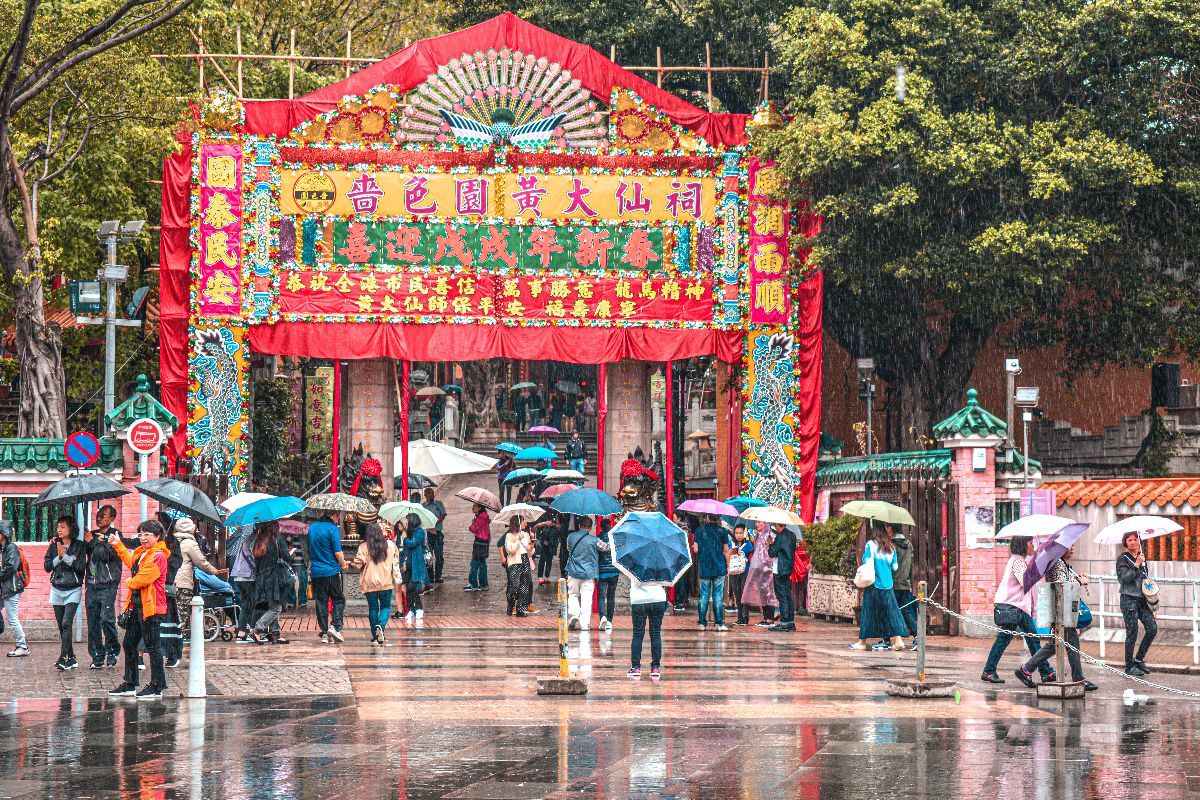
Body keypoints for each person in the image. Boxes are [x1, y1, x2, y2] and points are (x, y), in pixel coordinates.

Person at [1015, 547, 1098, 691]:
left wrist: (1077, 578)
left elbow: (1066, 582)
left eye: (1073, 546)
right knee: (1071, 643)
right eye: (1069, 546)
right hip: (1061, 610)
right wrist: (1079, 582)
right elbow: (1062, 586)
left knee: (1054, 645)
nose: (1072, 549)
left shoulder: (1062, 563)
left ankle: (1026, 669)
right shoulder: (1057, 563)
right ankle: (1078, 678)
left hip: (1063, 610)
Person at [108, 521, 171, 699]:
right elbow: (131, 564)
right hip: (136, 605)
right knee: (129, 643)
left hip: (151, 607)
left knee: (153, 646)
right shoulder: (142, 553)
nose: (142, 538)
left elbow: (145, 577)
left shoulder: (159, 556)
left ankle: (157, 686)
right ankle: (130, 683)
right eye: (140, 535)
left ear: (157, 536)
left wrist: (129, 583)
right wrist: (118, 545)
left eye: (147, 535)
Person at [980, 536, 1054, 684]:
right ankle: (989, 671)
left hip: (1016, 607)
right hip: (1012, 607)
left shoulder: (1019, 560)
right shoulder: (1018, 561)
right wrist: (1039, 568)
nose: (1032, 545)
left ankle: (1045, 671)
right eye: (1030, 542)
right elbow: (1026, 582)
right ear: (1023, 544)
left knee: (1028, 640)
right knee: (1027, 639)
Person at [851, 525, 908, 651]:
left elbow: (867, 561)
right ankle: (898, 640)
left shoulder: (870, 545)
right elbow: (895, 567)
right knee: (892, 612)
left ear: (875, 534)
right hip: (888, 585)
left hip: (874, 585)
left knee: (867, 613)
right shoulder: (891, 548)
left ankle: (862, 642)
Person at [45, 515, 86, 670]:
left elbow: (81, 568)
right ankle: (71, 657)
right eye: (58, 527)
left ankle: (65, 658)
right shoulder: (54, 545)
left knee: (66, 623)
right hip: (56, 589)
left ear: (71, 528)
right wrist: (59, 557)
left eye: (63, 527)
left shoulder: (80, 546)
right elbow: (47, 566)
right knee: (62, 626)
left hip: (73, 589)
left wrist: (66, 556)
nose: (59, 530)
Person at [172, 517, 224, 636]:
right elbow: (201, 563)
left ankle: (171, 637)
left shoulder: (171, 541)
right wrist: (214, 571)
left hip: (171, 581)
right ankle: (178, 640)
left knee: (172, 613)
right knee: (182, 613)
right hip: (183, 582)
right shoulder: (190, 543)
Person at [83, 514, 123, 669]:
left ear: (112, 518)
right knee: (93, 620)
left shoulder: (115, 535)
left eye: (103, 516)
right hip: (92, 583)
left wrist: (92, 542)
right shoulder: (91, 534)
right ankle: (97, 655)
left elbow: (107, 555)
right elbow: (83, 552)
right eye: (98, 516)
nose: (99, 518)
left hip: (108, 583)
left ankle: (112, 651)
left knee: (106, 618)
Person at [351, 522, 401, 643]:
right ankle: (381, 625)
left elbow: (358, 564)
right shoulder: (390, 545)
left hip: (370, 584)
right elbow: (396, 563)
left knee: (373, 609)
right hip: (386, 583)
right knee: (386, 607)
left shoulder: (364, 546)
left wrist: (350, 563)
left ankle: (375, 635)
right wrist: (397, 579)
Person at [1117, 531, 1157, 676]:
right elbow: (1124, 579)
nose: (1133, 542)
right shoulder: (1122, 559)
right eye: (1130, 540)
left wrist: (1152, 604)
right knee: (1132, 633)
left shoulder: (1142, 558)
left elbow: (1145, 581)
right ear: (1125, 542)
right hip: (1128, 599)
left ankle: (1139, 659)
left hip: (1142, 600)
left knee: (1152, 627)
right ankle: (1129, 666)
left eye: (1135, 539)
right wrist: (1136, 565)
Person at [308, 513, 349, 643]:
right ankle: (335, 626)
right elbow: (337, 552)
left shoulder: (312, 527)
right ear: (334, 515)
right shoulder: (333, 529)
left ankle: (325, 632)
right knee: (338, 599)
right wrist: (344, 565)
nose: (338, 520)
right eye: (338, 517)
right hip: (331, 570)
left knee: (321, 602)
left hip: (316, 571)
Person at [247, 522, 290, 645]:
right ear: (274, 527)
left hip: (261, 578)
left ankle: (276, 634)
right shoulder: (276, 539)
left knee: (271, 606)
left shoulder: (258, 541)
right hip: (273, 578)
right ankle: (257, 629)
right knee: (276, 608)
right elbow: (286, 556)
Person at [692, 515, 731, 631]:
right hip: (719, 567)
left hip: (705, 568)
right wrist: (728, 565)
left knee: (704, 596)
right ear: (718, 518)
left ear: (708, 517)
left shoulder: (699, 530)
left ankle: (702, 623)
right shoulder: (722, 531)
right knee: (718, 596)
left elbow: (696, 550)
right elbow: (725, 551)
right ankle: (719, 623)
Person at [628, 576, 667, 679]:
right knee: (656, 634)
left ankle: (635, 667)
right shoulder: (660, 560)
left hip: (639, 599)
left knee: (637, 634)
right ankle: (656, 667)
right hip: (658, 598)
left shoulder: (633, 560)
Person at [565, 516, 599, 631]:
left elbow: (568, 549)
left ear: (579, 525)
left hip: (573, 571)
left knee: (573, 594)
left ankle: (574, 614)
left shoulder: (570, 537)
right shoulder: (594, 540)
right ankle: (585, 624)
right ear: (589, 528)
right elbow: (606, 548)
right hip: (588, 573)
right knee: (587, 598)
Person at [0, 521, 28, 658]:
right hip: (4, 588)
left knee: (12, 618)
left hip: (11, 589)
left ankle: (22, 646)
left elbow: (10, 567)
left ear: (3, 533)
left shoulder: (11, 548)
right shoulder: (3, 548)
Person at [158, 526, 185, 667]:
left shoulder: (173, 545)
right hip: (151, 590)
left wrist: (165, 555)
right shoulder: (150, 544)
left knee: (168, 623)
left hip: (166, 589)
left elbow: (176, 564)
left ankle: (172, 654)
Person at [742, 522, 778, 627]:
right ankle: (766, 617)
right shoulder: (758, 534)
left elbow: (771, 552)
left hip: (768, 568)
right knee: (762, 593)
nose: (756, 524)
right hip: (759, 568)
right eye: (756, 522)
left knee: (768, 592)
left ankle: (770, 619)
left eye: (759, 522)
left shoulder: (771, 535)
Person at [228, 526, 257, 642]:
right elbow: (253, 558)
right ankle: (253, 632)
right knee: (255, 604)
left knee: (245, 604)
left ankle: (241, 632)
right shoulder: (254, 539)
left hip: (238, 575)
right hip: (248, 575)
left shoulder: (245, 539)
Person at [500, 518, 535, 617]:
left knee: (524, 587)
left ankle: (520, 609)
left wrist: (531, 546)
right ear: (518, 523)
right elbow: (511, 550)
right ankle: (510, 604)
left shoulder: (526, 534)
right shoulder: (509, 535)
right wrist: (518, 540)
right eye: (523, 521)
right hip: (515, 562)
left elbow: (530, 552)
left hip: (525, 561)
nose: (526, 523)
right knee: (514, 586)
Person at [767, 523, 797, 631]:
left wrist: (771, 543)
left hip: (779, 569)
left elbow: (772, 553)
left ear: (777, 525)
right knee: (788, 595)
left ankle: (784, 622)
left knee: (782, 596)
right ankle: (790, 622)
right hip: (788, 569)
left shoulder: (780, 537)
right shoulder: (792, 535)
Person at [401, 513, 429, 620]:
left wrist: (405, 538)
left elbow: (412, 544)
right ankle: (411, 610)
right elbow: (406, 549)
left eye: (407, 520)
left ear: (412, 520)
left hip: (416, 565)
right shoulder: (409, 532)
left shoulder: (420, 532)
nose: (406, 522)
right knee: (408, 589)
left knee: (413, 588)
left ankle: (419, 608)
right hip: (408, 565)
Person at [727, 524, 754, 625]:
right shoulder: (731, 543)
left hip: (745, 572)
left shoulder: (747, 544)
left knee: (744, 594)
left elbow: (751, 549)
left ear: (744, 533)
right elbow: (726, 553)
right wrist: (729, 553)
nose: (738, 535)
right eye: (737, 533)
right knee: (737, 594)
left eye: (741, 533)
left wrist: (747, 538)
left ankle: (745, 617)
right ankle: (739, 617)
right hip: (734, 572)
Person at [891, 529, 916, 636]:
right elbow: (911, 566)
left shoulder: (892, 545)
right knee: (905, 611)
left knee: (890, 611)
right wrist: (910, 583)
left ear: (890, 528)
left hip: (893, 583)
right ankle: (917, 635)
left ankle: (887, 640)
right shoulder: (909, 545)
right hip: (905, 583)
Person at [596, 524, 619, 632]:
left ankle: (602, 618)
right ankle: (609, 620)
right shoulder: (615, 538)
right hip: (614, 572)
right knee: (611, 597)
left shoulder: (598, 538)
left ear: (601, 528)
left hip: (602, 572)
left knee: (601, 596)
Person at [422, 487, 447, 583]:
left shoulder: (439, 504)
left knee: (439, 556)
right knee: (428, 556)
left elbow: (443, 515)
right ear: (425, 495)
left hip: (437, 533)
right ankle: (430, 576)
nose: (431, 495)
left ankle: (438, 575)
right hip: (428, 533)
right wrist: (429, 526)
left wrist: (434, 523)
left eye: (432, 493)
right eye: (428, 493)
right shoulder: (423, 506)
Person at [466, 503, 491, 590]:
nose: (472, 508)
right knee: (482, 563)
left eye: (474, 506)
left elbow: (473, 529)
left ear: (480, 508)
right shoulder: (483, 517)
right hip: (484, 542)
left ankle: (473, 584)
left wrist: (472, 524)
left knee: (474, 563)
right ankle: (484, 584)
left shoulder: (480, 517)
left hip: (479, 542)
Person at [283, 534, 307, 609]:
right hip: (291, 561)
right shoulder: (288, 533)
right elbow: (283, 547)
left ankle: (302, 600)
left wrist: (309, 559)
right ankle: (291, 601)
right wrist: (287, 541)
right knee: (290, 582)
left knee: (303, 581)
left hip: (302, 561)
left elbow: (308, 546)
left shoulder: (304, 533)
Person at [533, 514, 557, 586]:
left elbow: (559, 528)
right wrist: (544, 523)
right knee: (542, 560)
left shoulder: (555, 519)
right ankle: (540, 577)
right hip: (543, 544)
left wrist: (553, 524)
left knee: (549, 561)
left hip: (551, 544)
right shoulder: (542, 520)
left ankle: (546, 577)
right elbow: (535, 528)